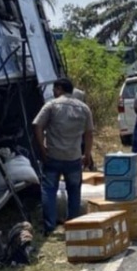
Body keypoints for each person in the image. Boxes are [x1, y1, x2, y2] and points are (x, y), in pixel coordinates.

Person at [32, 78, 94, 236]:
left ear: (59, 89)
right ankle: (73, 226)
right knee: (74, 191)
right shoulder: (84, 108)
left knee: (49, 190)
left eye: (54, 89)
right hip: (74, 157)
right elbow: (89, 134)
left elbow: (37, 125)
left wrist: (42, 147)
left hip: (53, 156)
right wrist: (86, 154)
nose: (53, 92)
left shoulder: (51, 106)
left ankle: (50, 228)